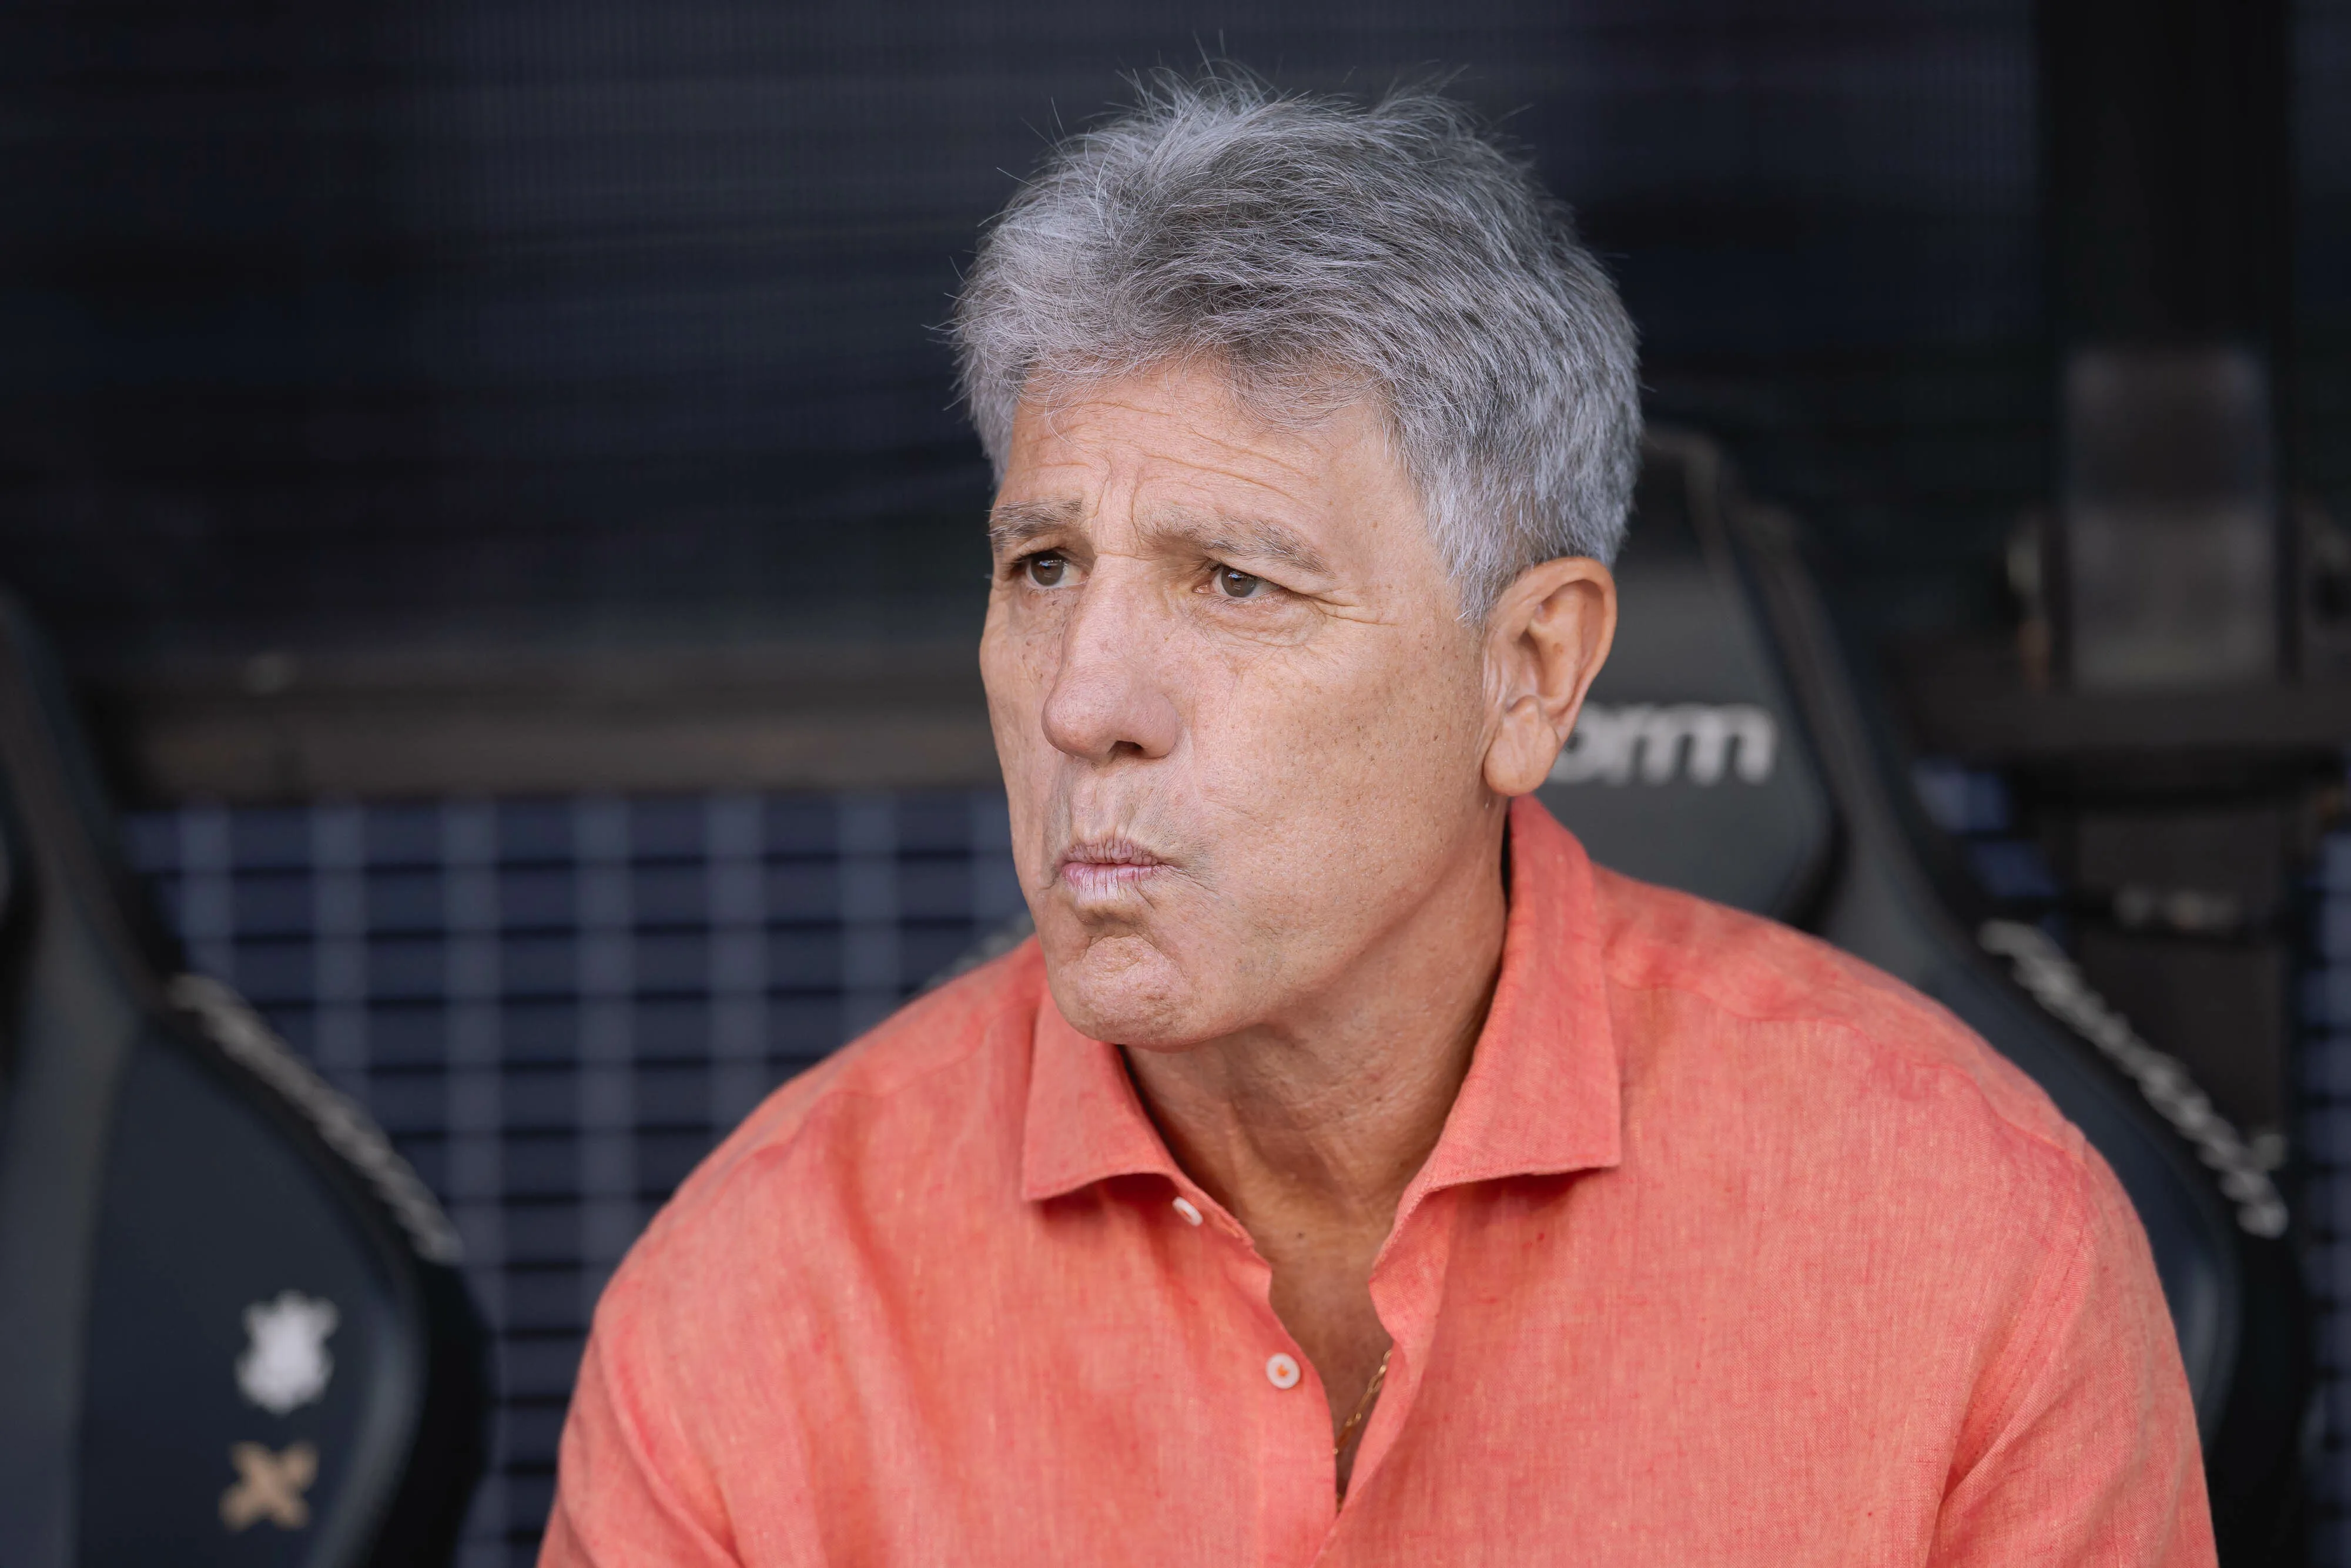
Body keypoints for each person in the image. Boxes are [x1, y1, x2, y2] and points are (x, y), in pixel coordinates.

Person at [542, 71, 2209, 1566]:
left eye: (1236, 579)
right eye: (1042, 566)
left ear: (1531, 671)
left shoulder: (1968, 1241)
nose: (1083, 700)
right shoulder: (749, 1311)